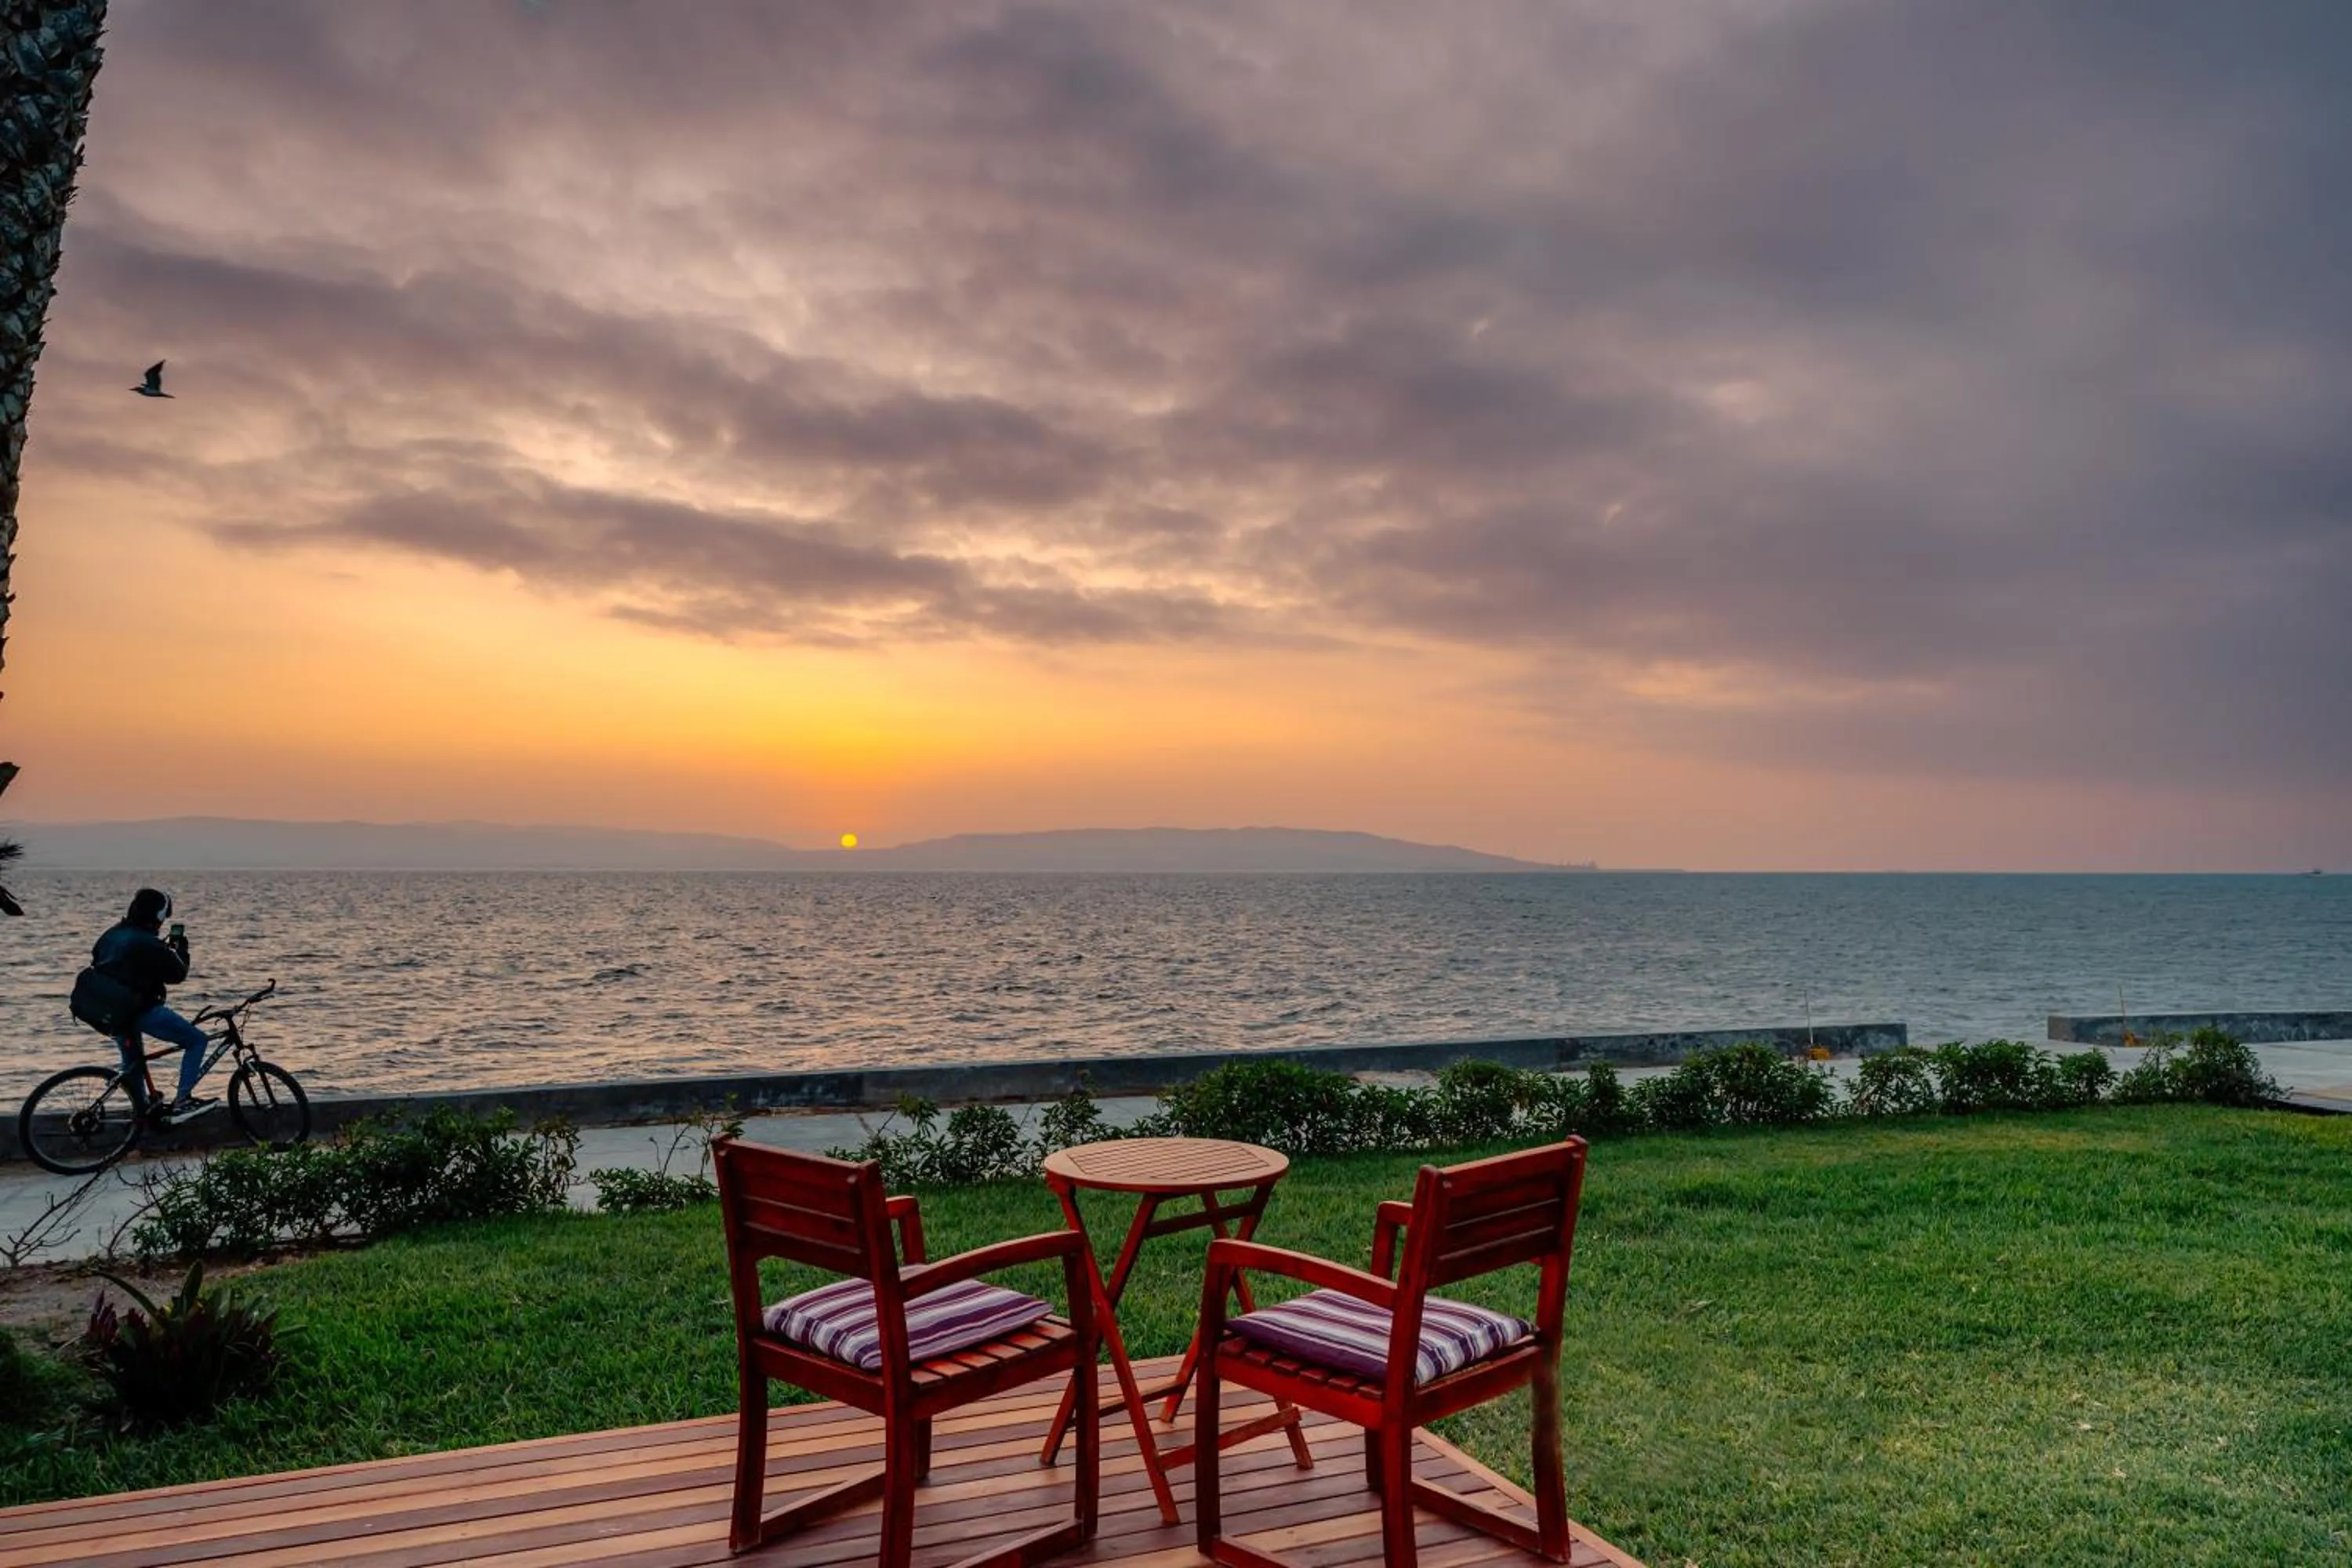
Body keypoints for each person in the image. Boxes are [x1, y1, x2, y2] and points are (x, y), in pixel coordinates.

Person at [90, 887, 214, 1123]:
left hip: (108, 1011)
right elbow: (177, 974)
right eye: (164, 917)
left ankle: (141, 1115)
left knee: (133, 1064)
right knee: (197, 1040)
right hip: (138, 1010)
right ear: (157, 916)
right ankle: (183, 1101)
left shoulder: (111, 934)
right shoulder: (148, 943)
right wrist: (181, 951)